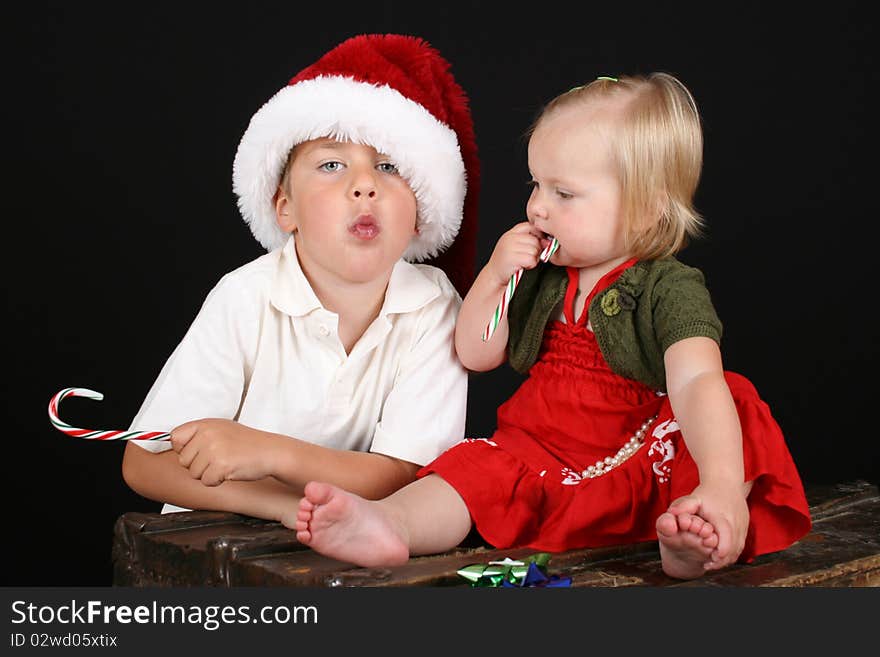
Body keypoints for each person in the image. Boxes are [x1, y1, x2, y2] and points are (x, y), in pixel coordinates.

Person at [291, 72, 813, 579]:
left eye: (563, 194)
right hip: (541, 453)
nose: (537, 206)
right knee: (474, 464)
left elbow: (696, 380)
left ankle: (700, 525)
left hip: (636, 455)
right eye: (535, 184)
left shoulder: (667, 287)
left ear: (645, 208)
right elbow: (475, 353)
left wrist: (720, 480)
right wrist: (497, 275)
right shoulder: (543, 276)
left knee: (732, 401)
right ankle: (392, 524)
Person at [121, 34, 480, 524]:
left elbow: (403, 476)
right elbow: (144, 461)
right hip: (210, 545)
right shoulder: (245, 297)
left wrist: (272, 454)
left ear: (421, 213)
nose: (364, 184)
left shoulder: (433, 305)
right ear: (284, 209)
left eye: (389, 166)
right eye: (331, 164)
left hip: (343, 551)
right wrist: (283, 507)